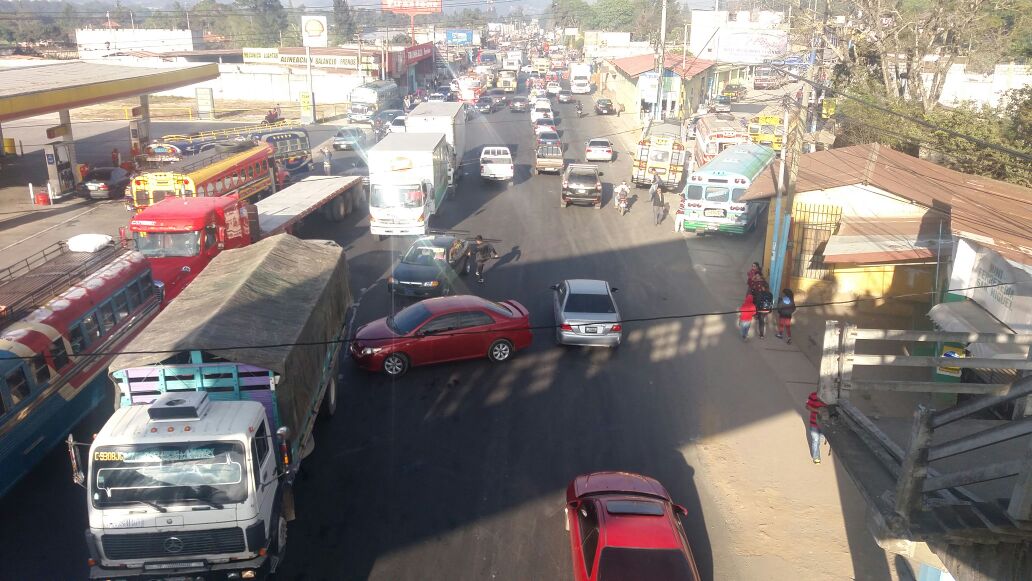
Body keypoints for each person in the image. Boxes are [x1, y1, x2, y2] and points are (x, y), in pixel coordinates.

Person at [806, 391, 827, 464]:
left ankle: (819, 443)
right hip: (814, 423)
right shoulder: (813, 395)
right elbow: (807, 406)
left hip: (824, 424)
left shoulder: (831, 398)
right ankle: (816, 458)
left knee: (820, 438)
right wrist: (817, 411)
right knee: (815, 440)